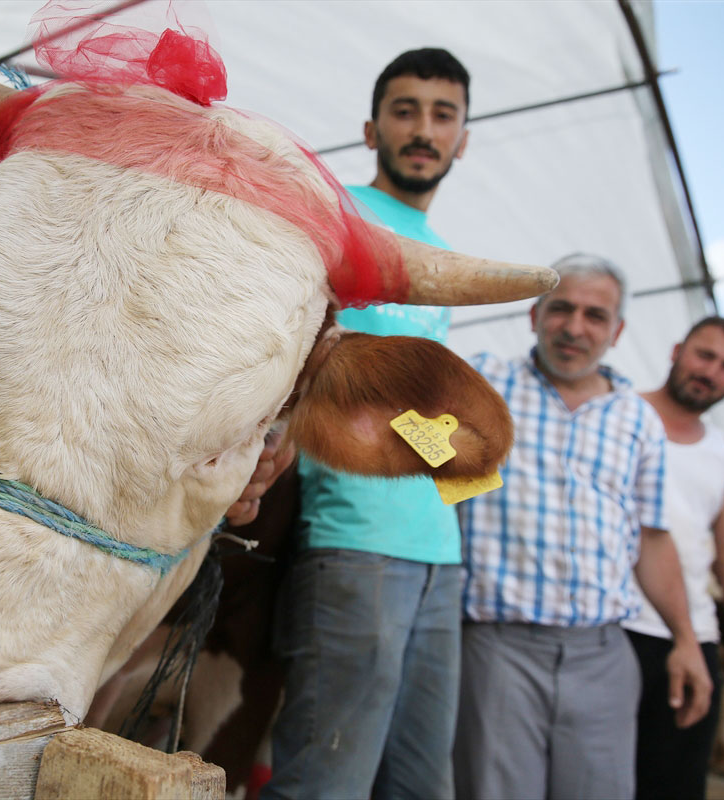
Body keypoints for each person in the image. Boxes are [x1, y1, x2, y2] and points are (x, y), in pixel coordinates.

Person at [262, 48, 471, 800]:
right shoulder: (334, 217)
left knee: (422, 789)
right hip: (354, 545)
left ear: (463, 137)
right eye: (405, 110)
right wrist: (458, 453)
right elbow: (313, 361)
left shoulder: (444, 256)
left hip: (441, 559)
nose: (424, 130)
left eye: (443, 115)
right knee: (326, 784)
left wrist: (456, 465)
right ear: (372, 126)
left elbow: (414, 404)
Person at [453, 254, 714, 800]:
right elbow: (414, 448)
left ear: (617, 332)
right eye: (561, 309)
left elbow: (652, 538)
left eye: (596, 316)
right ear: (533, 316)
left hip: (603, 656)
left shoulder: (637, 417)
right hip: (498, 650)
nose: (575, 327)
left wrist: (686, 640)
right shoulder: (481, 382)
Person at [624, 316, 724, 800]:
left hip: (691, 641)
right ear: (675, 350)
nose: (711, 372)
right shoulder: (615, 412)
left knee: (674, 786)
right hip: (606, 630)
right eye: (704, 355)